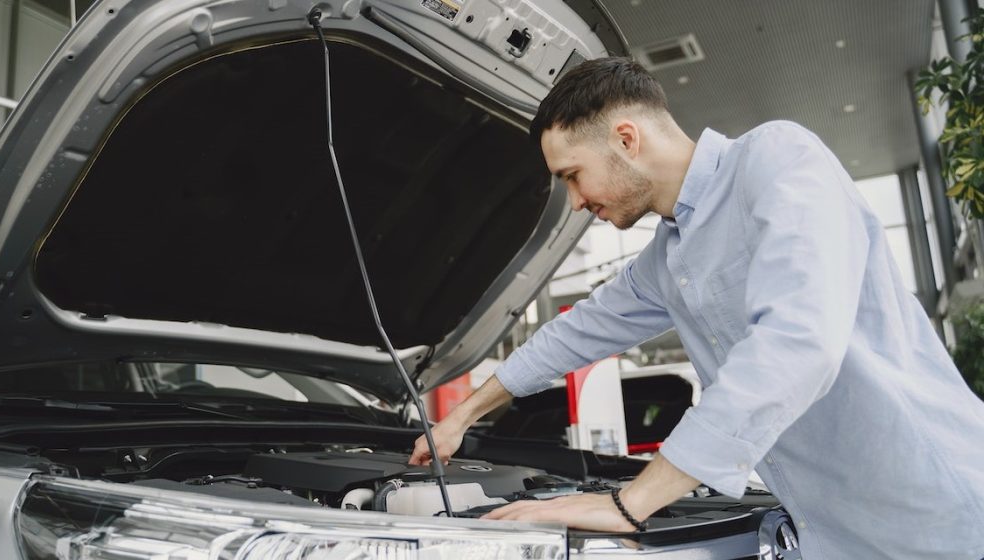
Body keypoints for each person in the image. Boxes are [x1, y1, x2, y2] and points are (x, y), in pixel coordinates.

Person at [408, 57, 984, 558]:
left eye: (573, 176)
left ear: (626, 139)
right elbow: (577, 331)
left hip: (937, 518)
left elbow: (797, 347)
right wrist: (463, 414)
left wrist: (628, 504)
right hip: (833, 533)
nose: (577, 202)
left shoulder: (778, 160)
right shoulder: (668, 255)